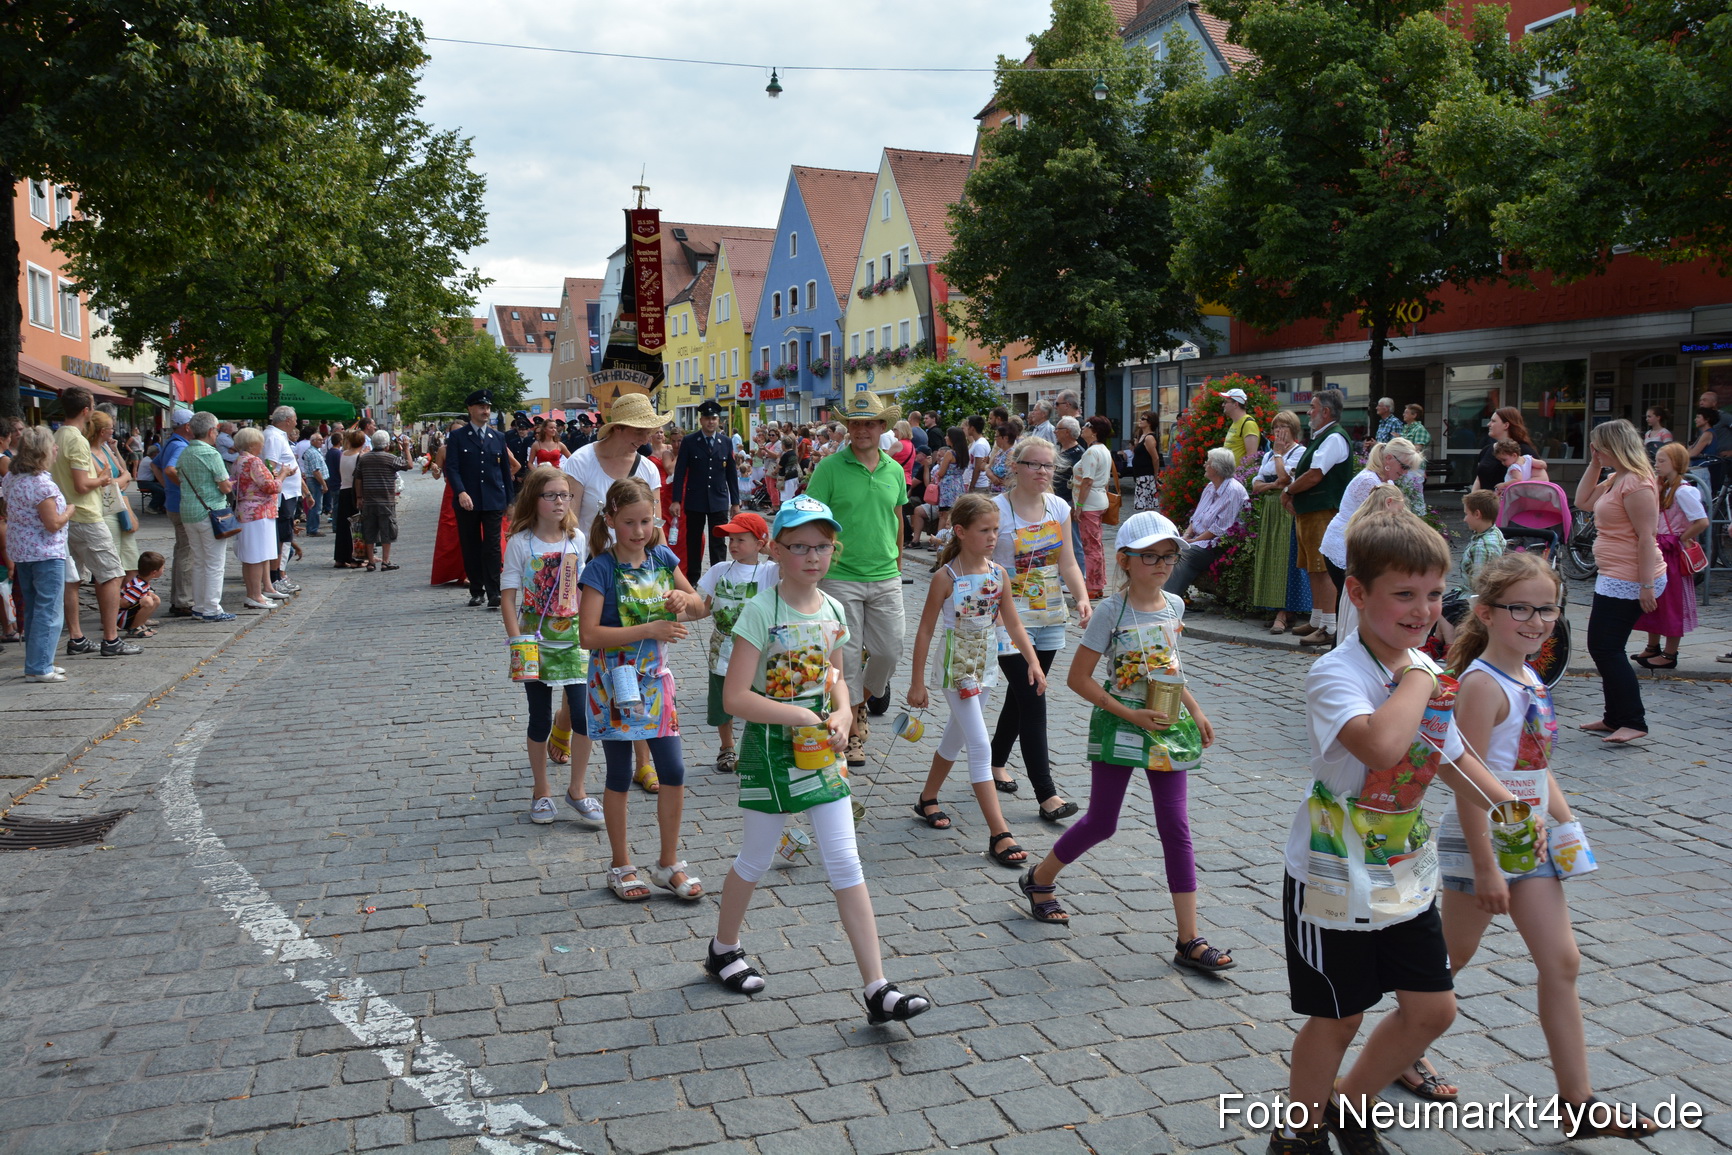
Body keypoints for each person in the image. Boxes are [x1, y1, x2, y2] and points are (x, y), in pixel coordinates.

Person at [1271, 506, 1519, 1155]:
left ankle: (1350, 1103)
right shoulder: (1339, 673)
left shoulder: (1420, 672)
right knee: (1339, 1015)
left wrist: (1507, 807)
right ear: (1357, 592)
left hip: (1402, 866)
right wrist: (1418, 674)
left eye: (1434, 594)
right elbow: (1382, 746)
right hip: (1331, 872)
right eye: (1404, 593)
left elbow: (1450, 755)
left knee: (1433, 1009)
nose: (1423, 609)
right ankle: (1298, 1134)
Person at [1426, 551, 1658, 1139]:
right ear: (1486, 612)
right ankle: (1404, 1046)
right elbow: (1468, 780)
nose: (1536, 621)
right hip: (1482, 839)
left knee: (1562, 961)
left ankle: (1578, 1103)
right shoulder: (1482, 684)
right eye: (1521, 609)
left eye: (1547, 609)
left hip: (1528, 837)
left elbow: (1534, 764)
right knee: (1450, 961)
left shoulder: (1530, 677)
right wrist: (1485, 866)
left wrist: (1566, 822)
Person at [703, 495, 932, 1026]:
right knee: (755, 859)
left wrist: (844, 713)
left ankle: (877, 988)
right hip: (770, 749)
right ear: (776, 551)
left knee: (846, 862)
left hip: (821, 750)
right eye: (800, 547)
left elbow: (836, 679)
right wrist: (799, 715)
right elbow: (735, 698)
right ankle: (723, 948)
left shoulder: (832, 609)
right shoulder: (761, 611)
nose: (813, 557)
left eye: (823, 547)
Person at [1016, 511, 1226, 965]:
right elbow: (1078, 678)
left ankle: (1189, 940)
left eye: (1169, 556)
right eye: (1150, 556)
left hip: (1166, 724)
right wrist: (1130, 713)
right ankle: (1039, 878)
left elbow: (1168, 666)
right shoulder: (1111, 611)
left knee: (1176, 827)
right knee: (1102, 821)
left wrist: (1195, 709)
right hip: (1120, 724)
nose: (1162, 564)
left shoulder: (1175, 606)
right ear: (1125, 559)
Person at [577, 476, 705, 902]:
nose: (638, 531)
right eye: (629, 522)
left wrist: (683, 602)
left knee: (674, 771)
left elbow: (700, 607)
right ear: (611, 520)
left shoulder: (662, 558)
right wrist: (648, 628)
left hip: (656, 683)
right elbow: (588, 636)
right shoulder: (599, 569)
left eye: (646, 522)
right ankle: (621, 864)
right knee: (618, 773)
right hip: (614, 686)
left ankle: (668, 863)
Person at [905, 493, 1044, 867]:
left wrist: (1032, 662)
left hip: (985, 668)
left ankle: (927, 798)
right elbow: (925, 630)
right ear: (961, 531)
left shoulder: (999, 574)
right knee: (980, 745)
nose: (992, 536)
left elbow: (1013, 622)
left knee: (956, 736)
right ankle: (999, 833)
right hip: (955, 671)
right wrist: (917, 682)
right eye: (984, 530)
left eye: (996, 529)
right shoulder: (945, 577)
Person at [985, 436, 1093, 813]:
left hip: (1048, 613)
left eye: (1048, 465)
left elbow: (1067, 561)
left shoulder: (1058, 507)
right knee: (1033, 696)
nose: (1042, 472)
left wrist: (1082, 598)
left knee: (1021, 695)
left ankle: (995, 762)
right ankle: (1047, 795)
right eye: (1033, 464)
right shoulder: (996, 509)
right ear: (1015, 466)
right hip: (1007, 616)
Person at [806, 390, 910, 765]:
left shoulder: (893, 469)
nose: (862, 430)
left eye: (869, 424)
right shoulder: (829, 468)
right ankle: (851, 733)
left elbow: (897, 518)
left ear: (882, 427)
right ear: (848, 428)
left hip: (885, 574)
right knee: (846, 661)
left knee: (889, 651)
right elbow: (812, 516)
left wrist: (898, 562)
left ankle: (858, 704)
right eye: (855, 424)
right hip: (840, 575)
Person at [500, 465, 602, 829]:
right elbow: (508, 597)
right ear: (534, 499)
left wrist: (592, 628)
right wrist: (517, 642)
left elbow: (583, 588)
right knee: (540, 716)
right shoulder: (520, 543)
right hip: (535, 641)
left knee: (584, 715)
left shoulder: (576, 538)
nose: (560, 502)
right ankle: (541, 789)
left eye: (565, 495)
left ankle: (577, 789)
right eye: (551, 495)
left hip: (573, 637)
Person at [1575, 419, 1662, 745]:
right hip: (1613, 575)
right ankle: (1614, 717)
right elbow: (1582, 501)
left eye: (1598, 447)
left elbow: (1646, 537)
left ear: (1614, 446)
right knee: (1603, 647)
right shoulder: (1617, 478)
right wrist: (1594, 464)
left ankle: (1632, 720)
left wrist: (1646, 586)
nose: (1595, 451)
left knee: (1606, 647)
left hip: (1630, 578)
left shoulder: (1637, 483)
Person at [52, 386, 140, 657]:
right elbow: (81, 484)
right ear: (86, 410)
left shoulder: (57, 435)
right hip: (86, 515)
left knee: (73, 579)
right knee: (112, 574)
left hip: (67, 515)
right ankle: (111, 639)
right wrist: (101, 479)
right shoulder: (77, 439)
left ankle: (77, 637)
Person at [691, 510, 777, 774]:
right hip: (722, 647)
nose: (733, 545)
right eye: (731, 540)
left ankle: (757, 745)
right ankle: (726, 746)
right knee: (722, 700)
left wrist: (768, 546)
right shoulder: (719, 569)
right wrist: (672, 615)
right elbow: (704, 608)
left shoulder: (770, 572)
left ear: (759, 543)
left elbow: (787, 560)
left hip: (758, 649)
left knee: (758, 697)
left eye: (741, 540)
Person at [1317, 438, 1426, 639]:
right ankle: (1343, 647)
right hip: (1343, 546)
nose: (1405, 472)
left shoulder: (1386, 481)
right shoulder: (1370, 482)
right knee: (1352, 606)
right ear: (1389, 459)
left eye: (1408, 468)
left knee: (1352, 607)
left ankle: (1346, 645)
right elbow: (1380, 523)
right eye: (1404, 466)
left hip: (1353, 544)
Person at [1284, 389, 1353, 649]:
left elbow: (1315, 475)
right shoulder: (1325, 436)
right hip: (1312, 510)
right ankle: (1317, 620)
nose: (1308, 411)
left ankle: (1329, 626)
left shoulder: (1334, 437)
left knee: (1323, 567)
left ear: (1326, 411)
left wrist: (1289, 490)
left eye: (1312, 407)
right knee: (1313, 566)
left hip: (1323, 510)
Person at [1630, 442, 1708, 670]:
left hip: (1671, 551)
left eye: (1662, 461)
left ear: (1676, 463)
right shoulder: (1662, 486)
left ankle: (1670, 653)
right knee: (1655, 599)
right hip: (1660, 547)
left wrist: (1682, 538)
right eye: (1657, 460)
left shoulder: (1684, 491)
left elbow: (1702, 521)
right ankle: (1652, 646)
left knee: (1672, 602)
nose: (1657, 464)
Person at [4, 427, 72, 681]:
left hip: (23, 552)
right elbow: (52, 523)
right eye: (52, 445)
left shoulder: (13, 478)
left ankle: (37, 661)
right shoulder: (41, 484)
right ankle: (40, 665)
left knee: (33, 609)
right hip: (46, 552)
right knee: (49, 611)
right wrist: (69, 511)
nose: (56, 448)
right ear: (43, 451)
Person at [446, 389, 518, 608]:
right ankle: (477, 590)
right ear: (470, 409)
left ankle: (494, 591)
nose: (485, 411)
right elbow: (452, 468)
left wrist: (510, 502)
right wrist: (461, 492)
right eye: (481, 407)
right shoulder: (458, 437)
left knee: (492, 546)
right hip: (468, 500)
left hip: (493, 498)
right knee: (471, 545)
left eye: (487, 407)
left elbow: (505, 472)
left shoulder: (498, 437)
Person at [1250, 411, 1312, 633]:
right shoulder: (1268, 455)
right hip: (1270, 509)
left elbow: (1285, 479)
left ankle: (1285, 612)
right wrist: (1272, 485)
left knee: (1288, 557)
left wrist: (1278, 456)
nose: (1278, 431)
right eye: (1276, 427)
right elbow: (1256, 485)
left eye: (1283, 427)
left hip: (1287, 509)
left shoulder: (1299, 452)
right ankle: (1277, 607)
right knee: (1272, 556)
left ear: (1293, 430)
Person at [670, 399, 741, 582]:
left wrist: (735, 502)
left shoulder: (726, 442)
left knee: (718, 542)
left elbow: (731, 474)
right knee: (693, 541)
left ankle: (719, 579)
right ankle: (693, 579)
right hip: (696, 499)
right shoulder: (690, 441)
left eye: (714, 418)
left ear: (718, 421)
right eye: (707, 418)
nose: (711, 422)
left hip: (718, 498)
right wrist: (676, 499)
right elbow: (680, 472)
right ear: (701, 420)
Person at [1164, 447, 1250, 599]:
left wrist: (1193, 541)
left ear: (1217, 468)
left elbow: (1220, 529)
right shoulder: (1210, 487)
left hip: (1215, 545)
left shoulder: (1233, 491)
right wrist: (1186, 536)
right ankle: (1155, 595)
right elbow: (1196, 518)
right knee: (1165, 547)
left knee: (1184, 553)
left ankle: (1167, 600)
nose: (1204, 465)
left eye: (1208, 462)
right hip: (1198, 540)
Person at [176, 413, 237, 622]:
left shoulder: (185, 451)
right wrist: (230, 484)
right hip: (211, 512)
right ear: (211, 431)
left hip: (189, 511)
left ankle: (199, 606)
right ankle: (212, 608)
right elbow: (225, 486)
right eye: (217, 430)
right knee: (214, 563)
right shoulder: (211, 453)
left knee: (199, 561)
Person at [231, 427, 284, 611]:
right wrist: (283, 475)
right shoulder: (253, 461)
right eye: (260, 442)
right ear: (253, 444)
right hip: (258, 512)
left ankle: (256, 593)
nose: (262, 446)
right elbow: (270, 487)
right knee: (256, 555)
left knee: (253, 555)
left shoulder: (238, 460)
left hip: (247, 511)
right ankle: (254, 595)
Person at [84, 412, 139, 580]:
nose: (113, 431)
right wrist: (119, 481)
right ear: (102, 431)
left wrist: (115, 451)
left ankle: (126, 595)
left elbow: (125, 473)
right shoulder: (88, 453)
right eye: (111, 428)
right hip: (106, 508)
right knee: (112, 561)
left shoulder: (105, 449)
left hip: (120, 504)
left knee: (131, 561)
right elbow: (105, 483)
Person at [156, 409, 196, 616]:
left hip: (173, 502)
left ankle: (180, 599)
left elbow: (155, 466)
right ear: (187, 426)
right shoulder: (180, 446)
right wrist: (185, 487)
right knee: (186, 553)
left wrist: (167, 487)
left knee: (182, 550)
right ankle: (183, 600)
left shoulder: (171, 442)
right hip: (181, 504)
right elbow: (170, 469)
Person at [354, 431, 411, 571]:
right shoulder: (390, 458)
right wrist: (406, 448)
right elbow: (409, 465)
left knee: (369, 531)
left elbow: (358, 478)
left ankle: (371, 562)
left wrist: (359, 497)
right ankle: (385, 561)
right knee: (387, 531)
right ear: (386, 445)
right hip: (386, 501)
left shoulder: (364, 459)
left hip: (368, 501)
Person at [1072, 416, 1115, 599]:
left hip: (1090, 503)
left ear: (1095, 431)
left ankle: (1092, 586)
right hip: (1099, 500)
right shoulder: (1104, 450)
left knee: (1090, 546)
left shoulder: (1091, 452)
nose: (1084, 428)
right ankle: (1097, 583)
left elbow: (1087, 481)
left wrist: (1079, 506)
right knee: (1096, 545)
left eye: (1087, 426)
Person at [262, 405, 302, 594]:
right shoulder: (273, 436)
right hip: (282, 494)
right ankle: (275, 577)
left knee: (284, 535)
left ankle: (278, 574)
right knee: (281, 535)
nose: (296, 421)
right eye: (295, 418)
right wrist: (285, 473)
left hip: (288, 493)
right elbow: (269, 466)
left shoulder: (279, 435)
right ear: (287, 420)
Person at [1470, 406, 1535, 493]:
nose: (1488, 424)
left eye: (1493, 421)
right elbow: (1479, 479)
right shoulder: (1486, 450)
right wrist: (1472, 499)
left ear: (1506, 425)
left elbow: (1541, 479)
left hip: (1509, 501)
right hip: (1484, 501)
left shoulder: (1523, 450)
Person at [332, 429, 367, 570]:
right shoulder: (359, 457)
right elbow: (359, 477)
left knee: (343, 526)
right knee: (356, 526)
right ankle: (356, 558)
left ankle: (341, 557)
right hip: (354, 492)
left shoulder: (343, 454)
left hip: (343, 490)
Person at [118, 551, 164, 639]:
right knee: (148, 601)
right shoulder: (138, 586)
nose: (163, 570)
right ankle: (134, 628)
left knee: (156, 599)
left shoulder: (143, 582)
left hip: (126, 616)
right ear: (154, 573)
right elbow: (123, 603)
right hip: (121, 618)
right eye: (162, 568)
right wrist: (139, 601)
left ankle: (140, 624)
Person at [1129, 411, 1162, 512]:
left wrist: (1155, 475)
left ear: (1150, 422)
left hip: (1146, 476)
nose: (1140, 420)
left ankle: (1149, 521)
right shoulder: (1142, 436)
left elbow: (1155, 458)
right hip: (1140, 475)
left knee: (1148, 505)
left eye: (1143, 419)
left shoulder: (1149, 438)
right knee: (1144, 504)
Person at [1219, 388, 1261, 464]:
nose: (1223, 405)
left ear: (1236, 404)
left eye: (1226, 402)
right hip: (1229, 471)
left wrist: (1241, 471)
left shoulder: (1248, 424)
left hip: (1237, 472)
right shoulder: (1236, 422)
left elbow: (1251, 457)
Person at [299, 433, 329, 536]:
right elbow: (316, 471)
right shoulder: (313, 453)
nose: (322, 441)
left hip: (314, 480)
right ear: (312, 441)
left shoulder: (315, 451)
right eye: (319, 440)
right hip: (315, 481)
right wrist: (324, 484)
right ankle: (313, 529)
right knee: (316, 506)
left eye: (321, 439)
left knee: (315, 505)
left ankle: (312, 528)